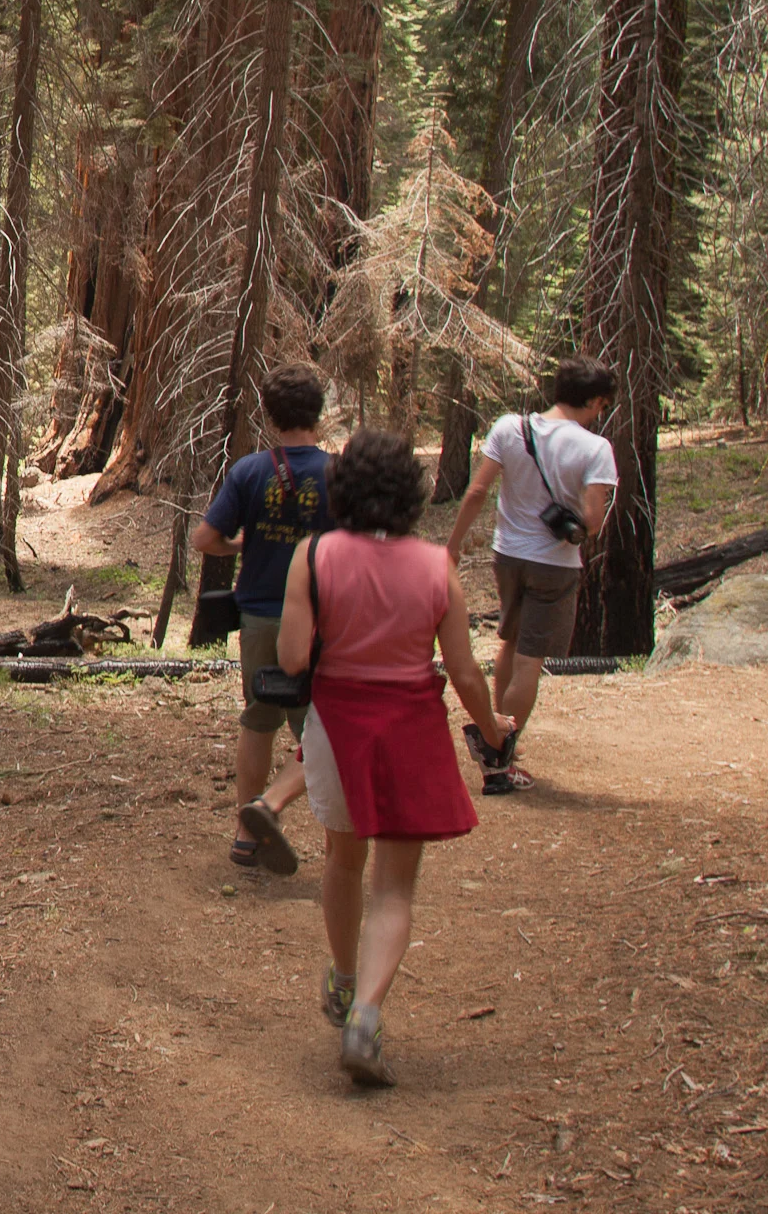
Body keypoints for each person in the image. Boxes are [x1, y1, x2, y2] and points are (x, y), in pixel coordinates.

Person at [278, 428, 510, 1088]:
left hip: (336, 728)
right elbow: (464, 673)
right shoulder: (438, 566)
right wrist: (493, 728)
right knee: (394, 887)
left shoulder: (313, 556)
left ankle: (344, 978)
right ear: (410, 493)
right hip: (409, 728)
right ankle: (368, 1016)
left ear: (342, 490)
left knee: (342, 860)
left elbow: (294, 657)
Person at [441, 359, 618, 795]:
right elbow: (592, 520)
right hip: (554, 565)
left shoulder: (510, 428)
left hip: (508, 557)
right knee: (529, 662)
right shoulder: (595, 449)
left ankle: (496, 733)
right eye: (602, 404)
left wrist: (453, 544)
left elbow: (479, 490)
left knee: (511, 642)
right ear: (594, 401)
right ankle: (500, 758)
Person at [192, 365, 333, 875]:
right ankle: (331, 828)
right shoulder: (337, 474)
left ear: (270, 417)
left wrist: (238, 543)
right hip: (322, 623)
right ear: (318, 414)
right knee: (323, 727)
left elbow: (203, 539)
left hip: (258, 617)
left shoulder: (250, 471)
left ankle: (245, 832)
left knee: (257, 720)